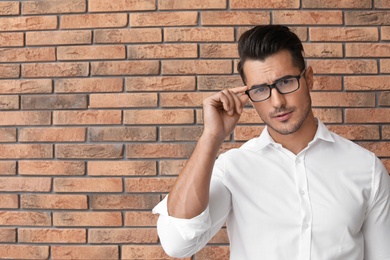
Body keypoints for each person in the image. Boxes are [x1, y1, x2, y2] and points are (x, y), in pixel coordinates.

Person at [152, 25, 390, 259]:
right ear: (249, 96)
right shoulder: (233, 168)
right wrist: (211, 138)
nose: (276, 102)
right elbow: (177, 244)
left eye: (286, 82)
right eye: (260, 89)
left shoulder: (365, 168)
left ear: (309, 79)